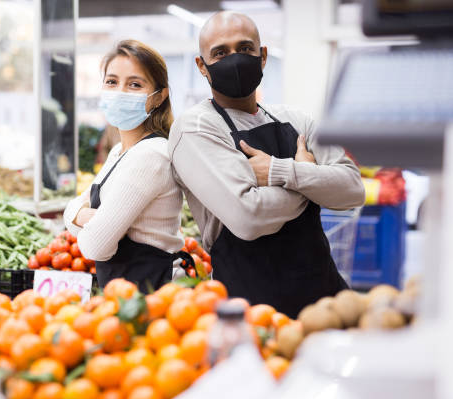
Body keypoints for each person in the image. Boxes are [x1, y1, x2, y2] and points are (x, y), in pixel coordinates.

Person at [168, 12, 365, 318]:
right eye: (220, 52)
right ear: (201, 66)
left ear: (262, 57)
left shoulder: (296, 119)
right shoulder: (196, 128)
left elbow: (352, 190)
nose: (234, 60)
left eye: (245, 49)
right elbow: (249, 216)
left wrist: (279, 172)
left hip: (326, 300)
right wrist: (311, 179)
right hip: (252, 313)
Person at [64, 40, 190, 292]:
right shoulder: (118, 152)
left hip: (155, 298)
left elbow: (94, 246)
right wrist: (79, 213)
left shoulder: (151, 155)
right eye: (112, 81)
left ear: (158, 97)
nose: (119, 91)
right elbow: (75, 205)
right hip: (126, 294)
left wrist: (83, 218)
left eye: (134, 84)